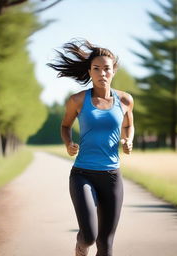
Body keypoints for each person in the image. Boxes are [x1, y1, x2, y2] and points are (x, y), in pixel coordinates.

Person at [47, 39, 134, 256]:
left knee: (106, 245)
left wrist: (128, 139)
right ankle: (80, 247)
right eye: (96, 69)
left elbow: (129, 124)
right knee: (89, 236)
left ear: (113, 71)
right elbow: (65, 125)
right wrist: (68, 144)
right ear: (89, 71)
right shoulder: (77, 100)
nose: (102, 73)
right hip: (83, 174)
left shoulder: (124, 100)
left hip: (112, 176)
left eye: (106, 69)